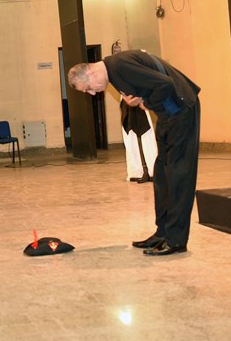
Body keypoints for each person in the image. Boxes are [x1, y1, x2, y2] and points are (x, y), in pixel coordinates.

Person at [68, 49, 200, 256]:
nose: (92, 93)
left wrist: (145, 103)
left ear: (91, 73)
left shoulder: (120, 66)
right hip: (168, 116)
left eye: (88, 89)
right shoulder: (114, 71)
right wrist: (141, 100)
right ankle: (162, 233)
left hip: (182, 111)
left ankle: (176, 240)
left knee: (178, 176)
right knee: (162, 176)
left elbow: (165, 84)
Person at [120, 100, 157, 183]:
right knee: (131, 137)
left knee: (145, 136)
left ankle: (150, 170)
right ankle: (138, 171)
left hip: (138, 100)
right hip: (127, 101)